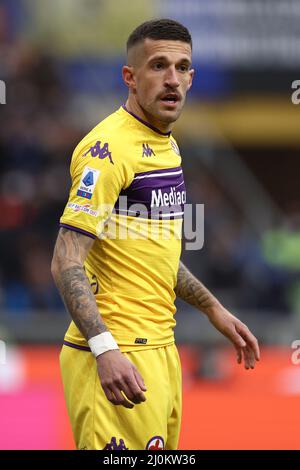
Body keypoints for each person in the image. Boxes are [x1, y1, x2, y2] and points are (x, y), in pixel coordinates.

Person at [51, 18, 260, 451]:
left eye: (182, 68)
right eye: (158, 65)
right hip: (116, 354)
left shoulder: (167, 144)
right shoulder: (106, 150)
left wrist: (212, 308)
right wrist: (105, 350)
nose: (172, 80)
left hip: (161, 349)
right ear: (130, 76)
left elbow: (154, 254)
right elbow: (65, 260)